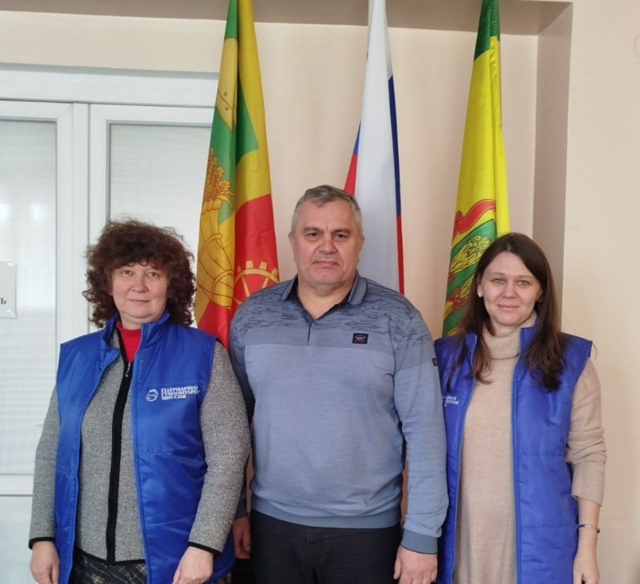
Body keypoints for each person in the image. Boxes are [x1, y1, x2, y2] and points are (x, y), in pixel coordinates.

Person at [229, 185, 448, 584]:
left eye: (341, 235)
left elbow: (426, 433)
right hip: (272, 527)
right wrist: (236, 510)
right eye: (313, 233)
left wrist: (422, 536)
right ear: (293, 241)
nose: (326, 246)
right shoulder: (252, 316)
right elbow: (232, 426)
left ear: (359, 243)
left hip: (367, 533)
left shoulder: (399, 319)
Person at [29, 220, 250, 584]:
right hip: (85, 561)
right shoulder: (76, 357)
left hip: (179, 561)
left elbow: (228, 458)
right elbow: (50, 452)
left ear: (171, 286)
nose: (139, 285)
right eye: (126, 271)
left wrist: (204, 546)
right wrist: (42, 537)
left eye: (153, 273)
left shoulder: (204, 354)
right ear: (108, 282)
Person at [434, 233, 606, 584]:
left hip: (540, 550)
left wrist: (587, 548)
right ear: (479, 286)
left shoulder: (572, 362)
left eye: (523, 282)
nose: (509, 292)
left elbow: (589, 456)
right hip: (458, 547)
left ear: (540, 292)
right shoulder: (443, 358)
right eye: (498, 280)